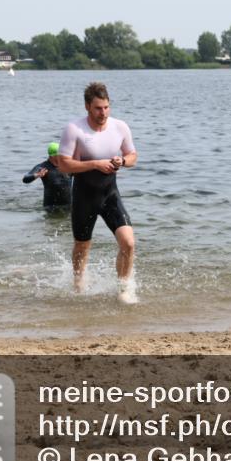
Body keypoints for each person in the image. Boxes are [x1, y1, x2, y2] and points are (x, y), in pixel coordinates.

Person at [55, 82, 139, 304]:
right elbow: (64, 165)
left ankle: (123, 289)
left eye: (106, 107)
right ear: (87, 107)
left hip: (110, 194)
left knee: (128, 243)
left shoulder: (120, 127)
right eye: (98, 108)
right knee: (82, 245)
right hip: (84, 195)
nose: (103, 113)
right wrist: (94, 164)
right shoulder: (74, 129)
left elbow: (132, 156)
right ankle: (78, 283)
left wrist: (122, 160)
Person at [22, 142, 72, 210]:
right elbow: (25, 179)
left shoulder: (68, 166)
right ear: (53, 156)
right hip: (51, 207)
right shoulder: (42, 167)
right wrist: (37, 175)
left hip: (68, 206)